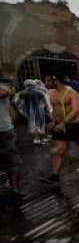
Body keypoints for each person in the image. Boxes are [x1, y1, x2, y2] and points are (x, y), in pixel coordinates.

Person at [39, 75, 79, 184]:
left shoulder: (72, 93)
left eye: (47, 80)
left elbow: (76, 110)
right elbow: (53, 110)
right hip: (59, 126)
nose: (45, 83)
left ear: (56, 80)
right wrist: (53, 123)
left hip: (74, 126)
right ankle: (55, 176)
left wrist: (63, 123)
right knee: (58, 151)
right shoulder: (51, 93)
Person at [0, 75, 23, 203]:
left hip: (4, 131)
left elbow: (5, 92)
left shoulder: (3, 86)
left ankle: (15, 191)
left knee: (12, 162)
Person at [15, 80, 51, 144]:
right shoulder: (38, 92)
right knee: (39, 124)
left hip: (28, 110)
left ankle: (37, 138)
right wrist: (46, 108)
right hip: (39, 110)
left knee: (33, 124)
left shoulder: (22, 93)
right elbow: (45, 100)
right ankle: (40, 138)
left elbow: (17, 102)